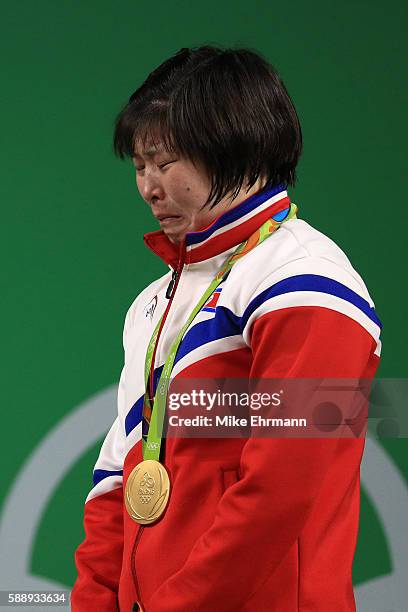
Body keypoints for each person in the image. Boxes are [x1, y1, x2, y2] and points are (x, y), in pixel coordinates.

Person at [71, 46, 382, 612]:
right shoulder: (152, 302)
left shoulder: (307, 280)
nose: (148, 187)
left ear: (235, 148)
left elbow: (281, 492)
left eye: (165, 163)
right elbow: (118, 475)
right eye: (139, 166)